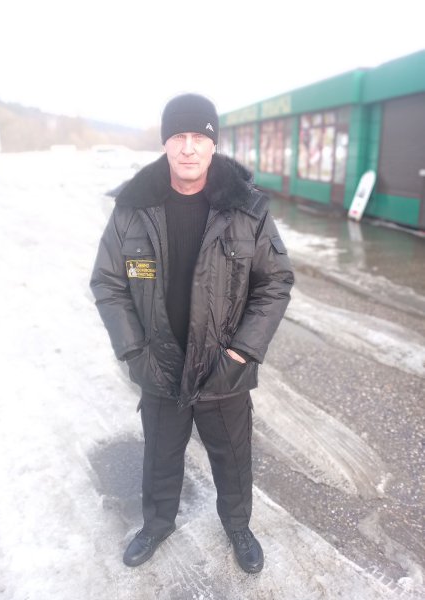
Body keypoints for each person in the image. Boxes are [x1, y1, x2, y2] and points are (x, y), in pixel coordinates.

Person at [90, 93, 294, 573]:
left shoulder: (247, 209)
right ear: (165, 143)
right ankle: (157, 523)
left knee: (233, 458)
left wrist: (242, 352)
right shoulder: (132, 209)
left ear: (212, 144)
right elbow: (108, 282)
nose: (188, 148)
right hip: (160, 362)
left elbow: (276, 282)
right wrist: (134, 350)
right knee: (160, 456)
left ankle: (238, 526)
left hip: (224, 365)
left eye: (198, 137)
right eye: (178, 136)